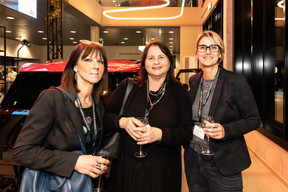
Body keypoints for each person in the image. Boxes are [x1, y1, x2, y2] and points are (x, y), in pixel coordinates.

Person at [12, 40, 110, 188]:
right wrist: (74, 161)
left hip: (85, 185)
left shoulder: (97, 103)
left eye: (100, 61)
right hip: (55, 185)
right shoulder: (52, 98)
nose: (96, 66)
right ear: (75, 66)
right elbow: (22, 151)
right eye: (88, 60)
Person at [104, 41, 192, 192]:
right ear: (144, 63)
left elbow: (186, 133)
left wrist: (160, 135)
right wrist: (122, 122)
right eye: (151, 58)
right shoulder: (128, 86)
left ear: (170, 62)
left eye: (161, 57)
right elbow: (104, 118)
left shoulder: (179, 91)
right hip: (128, 170)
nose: (156, 62)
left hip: (164, 171)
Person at [184, 30, 261, 192]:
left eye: (213, 47)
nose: (207, 52)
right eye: (203, 47)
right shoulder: (194, 80)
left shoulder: (235, 81)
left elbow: (253, 119)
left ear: (220, 53)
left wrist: (226, 130)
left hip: (223, 159)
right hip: (193, 157)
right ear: (197, 53)